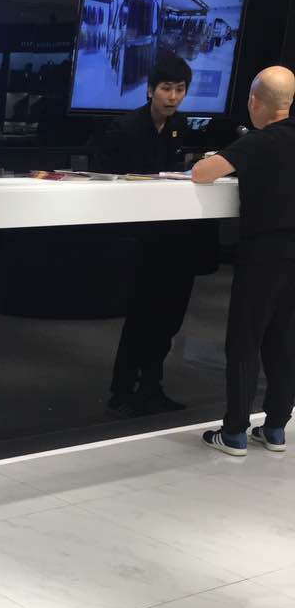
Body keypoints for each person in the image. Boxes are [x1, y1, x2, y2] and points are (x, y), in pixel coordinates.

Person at [192, 66, 295, 455]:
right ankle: (276, 427)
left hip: (264, 253)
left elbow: (202, 173)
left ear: (254, 101)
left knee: (245, 339)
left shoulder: (258, 142)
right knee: (285, 340)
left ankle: (235, 430)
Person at [97, 53, 202, 414]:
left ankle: (149, 386)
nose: (173, 97)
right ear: (150, 90)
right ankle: (124, 389)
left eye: (180, 89)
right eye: (166, 89)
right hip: (136, 236)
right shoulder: (125, 128)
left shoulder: (180, 126)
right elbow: (106, 176)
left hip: (170, 235)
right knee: (142, 315)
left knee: (166, 317)